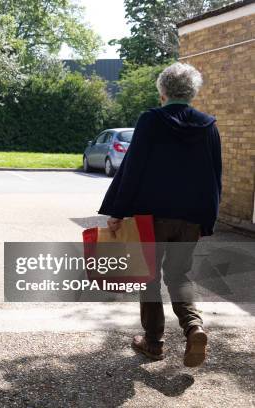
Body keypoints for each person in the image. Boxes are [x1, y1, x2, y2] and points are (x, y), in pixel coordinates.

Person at [98, 62, 222, 367]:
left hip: (150, 218)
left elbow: (133, 169)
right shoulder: (208, 125)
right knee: (179, 275)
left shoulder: (151, 120)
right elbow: (214, 176)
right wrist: (207, 219)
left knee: (149, 279)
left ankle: (153, 343)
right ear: (193, 92)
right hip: (190, 218)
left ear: (162, 90)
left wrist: (117, 210)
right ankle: (194, 327)